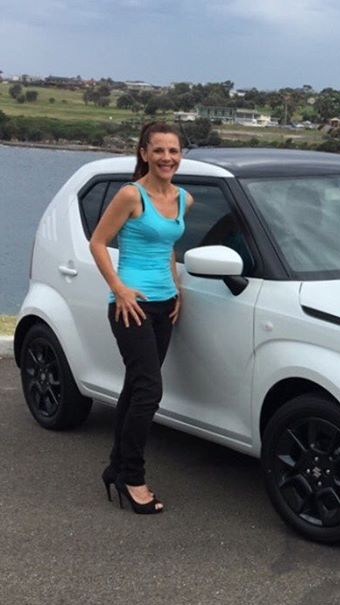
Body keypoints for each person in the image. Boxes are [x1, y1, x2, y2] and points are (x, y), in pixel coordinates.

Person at [89, 122, 193, 514]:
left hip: (165, 304)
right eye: (160, 151)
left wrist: (177, 286)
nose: (168, 158)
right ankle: (133, 476)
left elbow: (167, 246)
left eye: (174, 151)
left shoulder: (185, 199)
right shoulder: (131, 195)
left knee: (136, 388)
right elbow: (98, 242)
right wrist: (118, 288)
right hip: (130, 306)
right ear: (144, 153)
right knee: (150, 390)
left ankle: (115, 469)